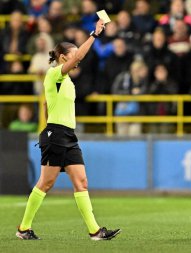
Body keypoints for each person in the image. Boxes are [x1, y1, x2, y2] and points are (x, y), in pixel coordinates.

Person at [16, 19, 121, 241]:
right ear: (63, 57)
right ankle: (24, 228)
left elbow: (47, 104)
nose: (76, 59)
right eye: (72, 55)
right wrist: (94, 34)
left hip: (67, 135)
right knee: (46, 183)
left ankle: (95, 231)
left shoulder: (65, 80)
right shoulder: (54, 74)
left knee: (81, 182)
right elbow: (80, 56)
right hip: (56, 134)